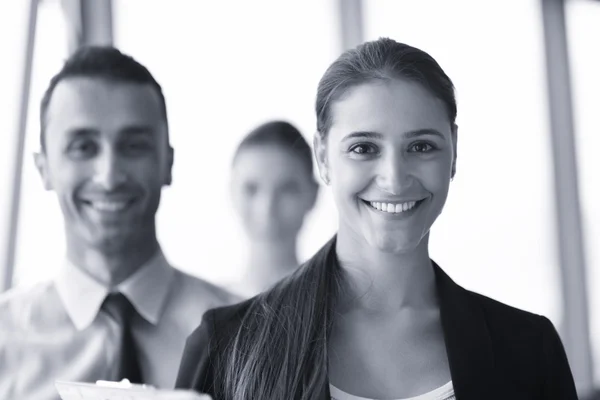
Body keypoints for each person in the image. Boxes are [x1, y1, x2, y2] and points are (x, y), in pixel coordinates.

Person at [175, 38, 578, 400]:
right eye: (364, 148)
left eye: (421, 146)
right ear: (322, 158)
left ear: (453, 150)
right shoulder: (226, 347)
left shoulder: (529, 350)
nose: (394, 178)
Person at [0, 46, 238, 400]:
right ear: (43, 167)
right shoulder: (5, 341)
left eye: (134, 145)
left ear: (167, 162)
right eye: (83, 147)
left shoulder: (247, 333)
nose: (109, 176)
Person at [228, 120, 318, 297]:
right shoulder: (205, 310)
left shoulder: (337, 306)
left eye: (286, 189)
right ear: (232, 192)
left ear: (313, 194)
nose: (267, 209)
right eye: (251, 189)